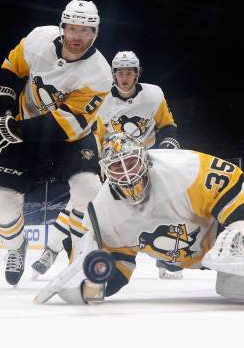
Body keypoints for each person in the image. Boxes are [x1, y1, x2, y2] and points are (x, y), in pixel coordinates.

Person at [35, 133, 244, 304]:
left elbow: (238, 192)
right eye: (118, 168)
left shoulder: (182, 167)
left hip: (221, 232)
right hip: (195, 258)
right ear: (105, 172)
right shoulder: (102, 213)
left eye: (130, 162)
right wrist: (93, 282)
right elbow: (119, 269)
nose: (128, 174)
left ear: (145, 158)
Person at [0, 0, 112, 286]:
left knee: (90, 188)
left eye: (86, 30)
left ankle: (79, 255)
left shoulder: (100, 73)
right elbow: (11, 68)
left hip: (72, 138)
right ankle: (16, 247)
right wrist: (2, 109)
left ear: (95, 33)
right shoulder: (39, 39)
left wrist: (14, 126)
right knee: (0, 204)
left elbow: (65, 124)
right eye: (73, 28)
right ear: (62, 27)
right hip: (25, 129)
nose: (78, 37)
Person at [32, 50, 182, 279]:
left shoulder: (154, 95)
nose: (124, 77)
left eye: (129, 72)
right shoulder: (101, 99)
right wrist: (97, 162)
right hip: (111, 162)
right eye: (120, 72)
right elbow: (93, 134)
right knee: (83, 202)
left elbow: (167, 125)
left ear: (137, 74)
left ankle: (166, 259)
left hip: (144, 161)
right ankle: (52, 250)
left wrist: (169, 143)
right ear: (113, 74)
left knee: (162, 203)